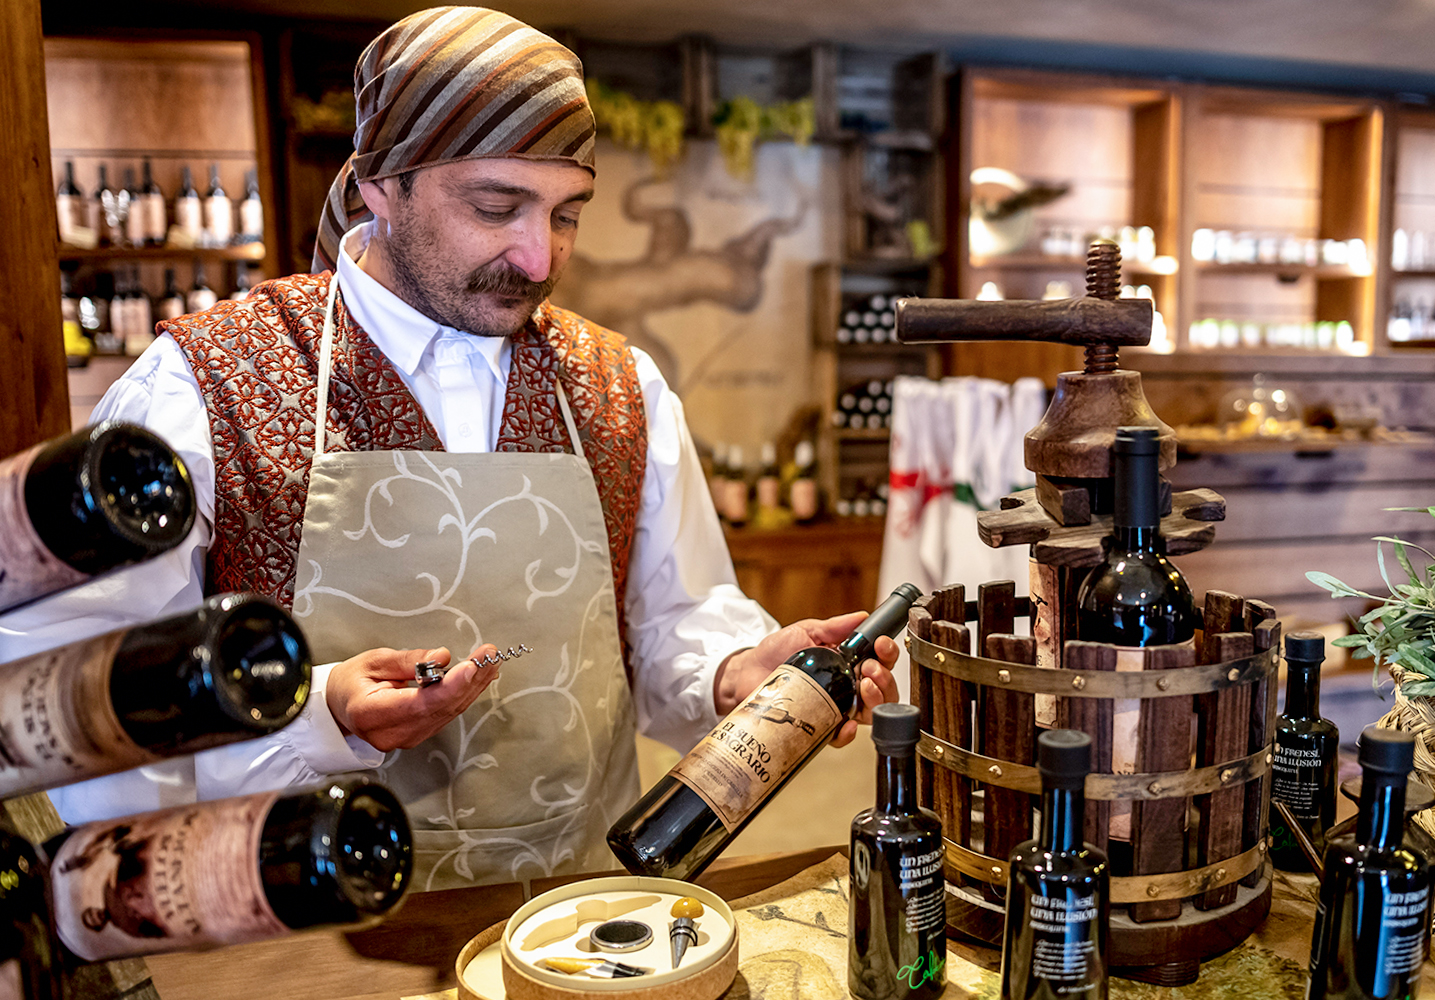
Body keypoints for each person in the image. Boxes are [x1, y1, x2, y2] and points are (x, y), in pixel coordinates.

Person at [0, 6, 897, 891]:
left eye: (568, 213)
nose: (540, 258)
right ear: (379, 186)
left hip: (575, 917)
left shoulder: (620, 386)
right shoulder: (203, 384)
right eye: (496, 205)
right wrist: (317, 711)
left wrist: (734, 670)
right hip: (297, 923)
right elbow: (84, 693)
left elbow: (669, 624)